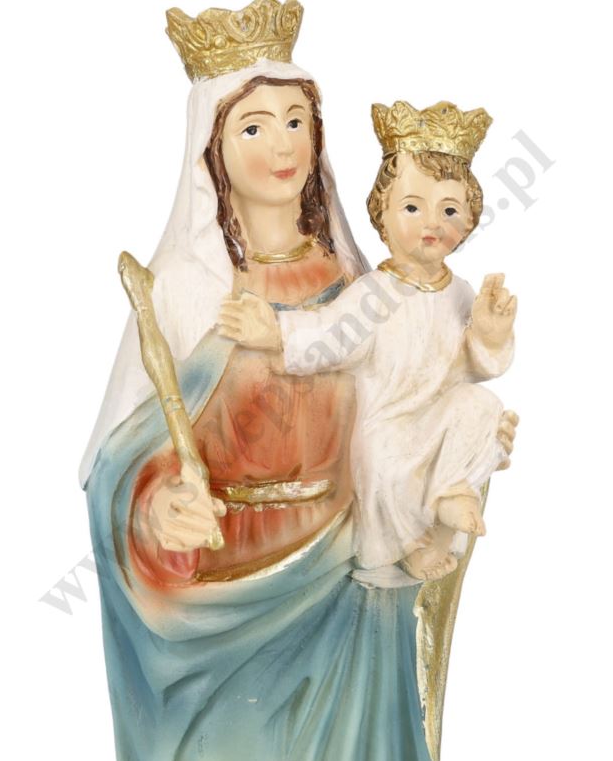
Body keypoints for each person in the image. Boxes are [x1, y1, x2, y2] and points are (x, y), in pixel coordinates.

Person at [80, 0, 516, 761]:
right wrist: (158, 506)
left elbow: (411, 397)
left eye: (296, 121)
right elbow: (116, 459)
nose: (283, 144)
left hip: (344, 571)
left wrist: (465, 436)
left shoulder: (360, 282)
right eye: (254, 127)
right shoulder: (186, 287)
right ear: (212, 149)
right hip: (225, 583)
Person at [218, 100, 517, 584]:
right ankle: (411, 546)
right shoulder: (373, 295)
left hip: (438, 421)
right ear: (382, 215)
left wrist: (489, 332)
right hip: (389, 425)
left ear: (468, 222)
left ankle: (448, 498)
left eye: (449, 211)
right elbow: (328, 336)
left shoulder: (461, 294)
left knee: (483, 405)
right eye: (412, 208)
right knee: (383, 460)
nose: (431, 223)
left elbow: (475, 366)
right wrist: (274, 332)